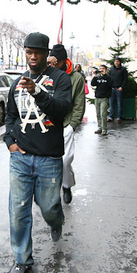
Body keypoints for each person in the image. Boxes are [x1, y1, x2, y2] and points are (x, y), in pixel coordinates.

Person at [4, 32, 72, 273]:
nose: (33, 57)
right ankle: (22, 259)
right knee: (18, 210)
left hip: (49, 158)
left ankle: (56, 221)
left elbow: (62, 111)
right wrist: (9, 142)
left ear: (47, 54)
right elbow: (10, 116)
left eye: (38, 53)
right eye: (29, 52)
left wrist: (38, 92)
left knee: (49, 207)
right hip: (20, 158)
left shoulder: (60, 79)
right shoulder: (17, 82)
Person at [48, 44, 86, 205]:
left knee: (65, 160)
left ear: (64, 61)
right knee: (47, 160)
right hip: (47, 124)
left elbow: (79, 103)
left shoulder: (76, 78)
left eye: (58, 63)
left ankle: (66, 185)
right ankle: (49, 191)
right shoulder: (47, 73)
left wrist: (73, 124)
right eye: (52, 62)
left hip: (66, 124)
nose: (54, 66)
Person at [91, 64, 112, 135]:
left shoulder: (108, 78)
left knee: (103, 113)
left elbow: (111, 83)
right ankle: (100, 127)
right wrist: (95, 76)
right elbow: (93, 84)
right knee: (98, 114)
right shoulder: (98, 77)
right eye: (100, 69)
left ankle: (104, 129)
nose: (101, 70)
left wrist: (105, 75)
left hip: (104, 97)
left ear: (106, 70)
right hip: (97, 97)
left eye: (103, 68)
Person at [107, 58, 128, 123]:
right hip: (112, 89)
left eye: (117, 61)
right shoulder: (111, 69)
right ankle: (111, 116)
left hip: (119, 89)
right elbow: (109, 78)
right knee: (111, 104)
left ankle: (118, 117)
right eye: (115, 61)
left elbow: (125, 79)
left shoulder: (123, 70)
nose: (116, 63)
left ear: (120, 62)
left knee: (119, 104)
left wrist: (122, 87)